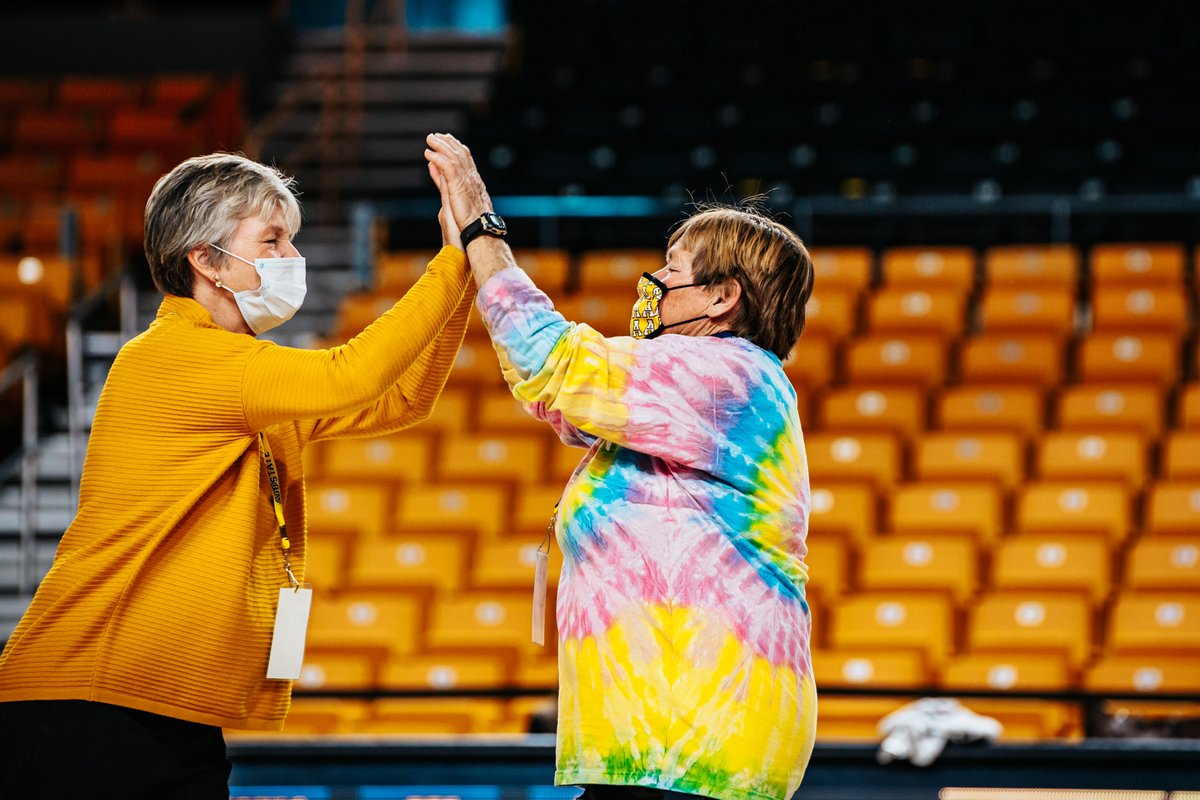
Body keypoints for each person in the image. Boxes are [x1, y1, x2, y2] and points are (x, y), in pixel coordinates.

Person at [0, 151, 474, 798]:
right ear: (208, 260)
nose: (291, 255)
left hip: (152, 705)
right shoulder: (178, 357)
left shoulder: (240, 370)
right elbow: (353, 373)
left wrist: (470, 275)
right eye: (272, 239)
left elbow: (397, 401)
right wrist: (451, 260)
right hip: (91, 697)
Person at [425, 133, 817, 800]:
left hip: (697, 741)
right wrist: (470, 256)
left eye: (672, 268)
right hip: (662, 741)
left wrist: (481, 226)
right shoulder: (693, 391)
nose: (654, 283)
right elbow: (557, 395)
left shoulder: (724, 377)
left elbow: (550, 358)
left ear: (723, 297)